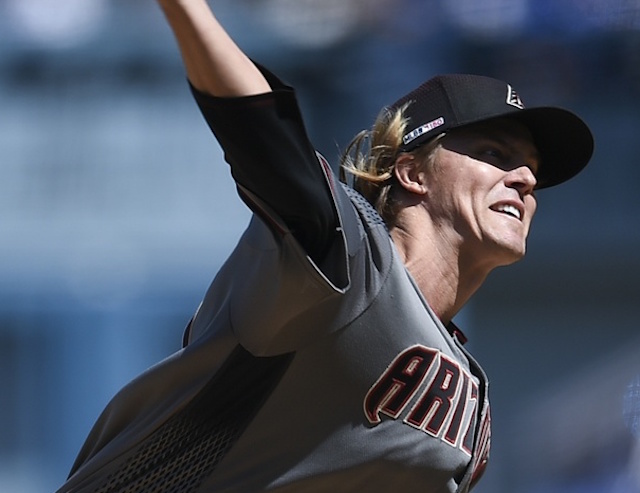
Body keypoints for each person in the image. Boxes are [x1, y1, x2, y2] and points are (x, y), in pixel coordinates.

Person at [55, 0, 594, 492]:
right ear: (412, 172)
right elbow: (261, 126)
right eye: (495, 154)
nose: (524, 177)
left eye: (532, 169)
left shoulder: (472, 401)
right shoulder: (345, 259)